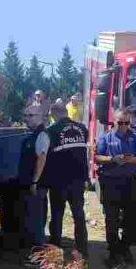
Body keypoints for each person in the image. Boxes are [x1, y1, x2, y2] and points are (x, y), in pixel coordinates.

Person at [94, 107, 136, 266]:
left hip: (129, 182)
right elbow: (97, 157)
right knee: (112, 220)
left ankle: (125, 248)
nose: (123, 126)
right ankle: (113, 252)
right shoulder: (105, 137)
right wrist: (113, 159)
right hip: (110, 182)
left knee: (131, 219)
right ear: (113, 122)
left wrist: (130, 160)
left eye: (126, 123)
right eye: (120, 122)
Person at [43, 102, 90, 259]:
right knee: (78, 215)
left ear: (53, 114)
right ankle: (82, 248)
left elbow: (46, 157)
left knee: (57, 215)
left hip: (59, 180)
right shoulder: (83, 129)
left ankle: (55, 248)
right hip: (78, 179)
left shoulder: (51, 131)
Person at [18, 100, 50, 250]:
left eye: (31, 115)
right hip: (30, 184)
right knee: (31, 219)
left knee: (36, 220)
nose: (27, 118)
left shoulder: (42, 134)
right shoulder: (32, 135)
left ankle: (38, 254)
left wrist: (35, 181)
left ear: (41, 117)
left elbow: (41, 158)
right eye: (25, 115)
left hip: (36, 186)